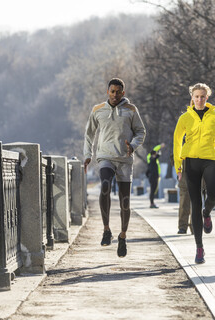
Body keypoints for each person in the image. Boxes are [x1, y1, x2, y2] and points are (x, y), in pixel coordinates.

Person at [84, 78, 146, 258]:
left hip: (125, 160)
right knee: (105, 185)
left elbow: (141, 131)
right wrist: (88, 155)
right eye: (112, 91)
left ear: (123, 93)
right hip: (105, 157)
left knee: (125, 202)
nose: (115, 95)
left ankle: (123, 236)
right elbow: (89, 134)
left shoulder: (131, 110)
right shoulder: (97, 110)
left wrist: (133, 145)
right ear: (107, 92)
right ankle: (106, 230)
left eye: (118, 92)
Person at [173, 83, 215, 264]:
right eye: (196, 96)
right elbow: (177, 142)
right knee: (194, 203)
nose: (199, 99)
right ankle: (199, 248)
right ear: (192, 97)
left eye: (203, 96)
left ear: (207, 97)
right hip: (191, 162)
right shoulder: (185, 118)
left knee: (213, 196)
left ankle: (207, 213)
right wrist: (178, 166)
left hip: (210, 160)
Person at [146, 143, 165, 208]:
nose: (155, 155)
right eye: (155, 154)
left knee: (153, 190)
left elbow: (147, 172)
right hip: (153, 177)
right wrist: (160, 149)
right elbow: (158, 155)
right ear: (153, 155)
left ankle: (152, 203)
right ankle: (152, 204)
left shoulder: (151, 161)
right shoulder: (152, 159)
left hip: (152, 177)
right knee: (153, 190)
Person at [177, 159, 192, 234]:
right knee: (183, 204)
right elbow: (174, 156)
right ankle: (182, 227)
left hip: (198, 177)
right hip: (184, 178)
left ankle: (195, 227)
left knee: (196, 205)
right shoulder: (180, 146)